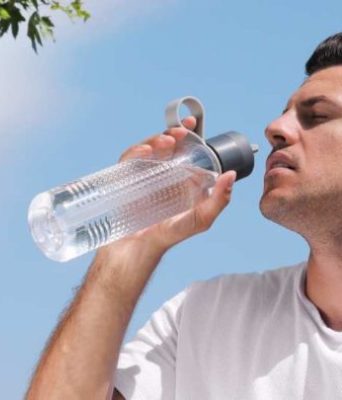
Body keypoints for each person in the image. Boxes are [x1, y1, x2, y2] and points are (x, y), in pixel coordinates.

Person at [25, 32, 342, 400]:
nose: (275, 128)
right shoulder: (208, 314)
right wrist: (128, 250)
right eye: (284, 113)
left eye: (318, 115)